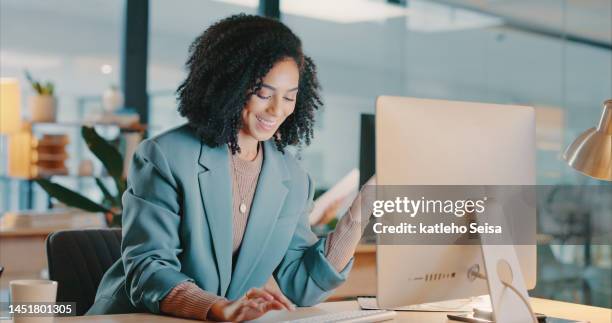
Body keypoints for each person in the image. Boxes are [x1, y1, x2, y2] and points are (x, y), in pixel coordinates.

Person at [87, 14, 374, 321]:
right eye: (264, 93)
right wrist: (216, 307)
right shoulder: (165, 157)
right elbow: (149, 269)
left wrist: (363, 209)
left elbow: (299, 285)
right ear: (231, 83)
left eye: (289, 97)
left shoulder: (292, 177)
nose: (277, 110)